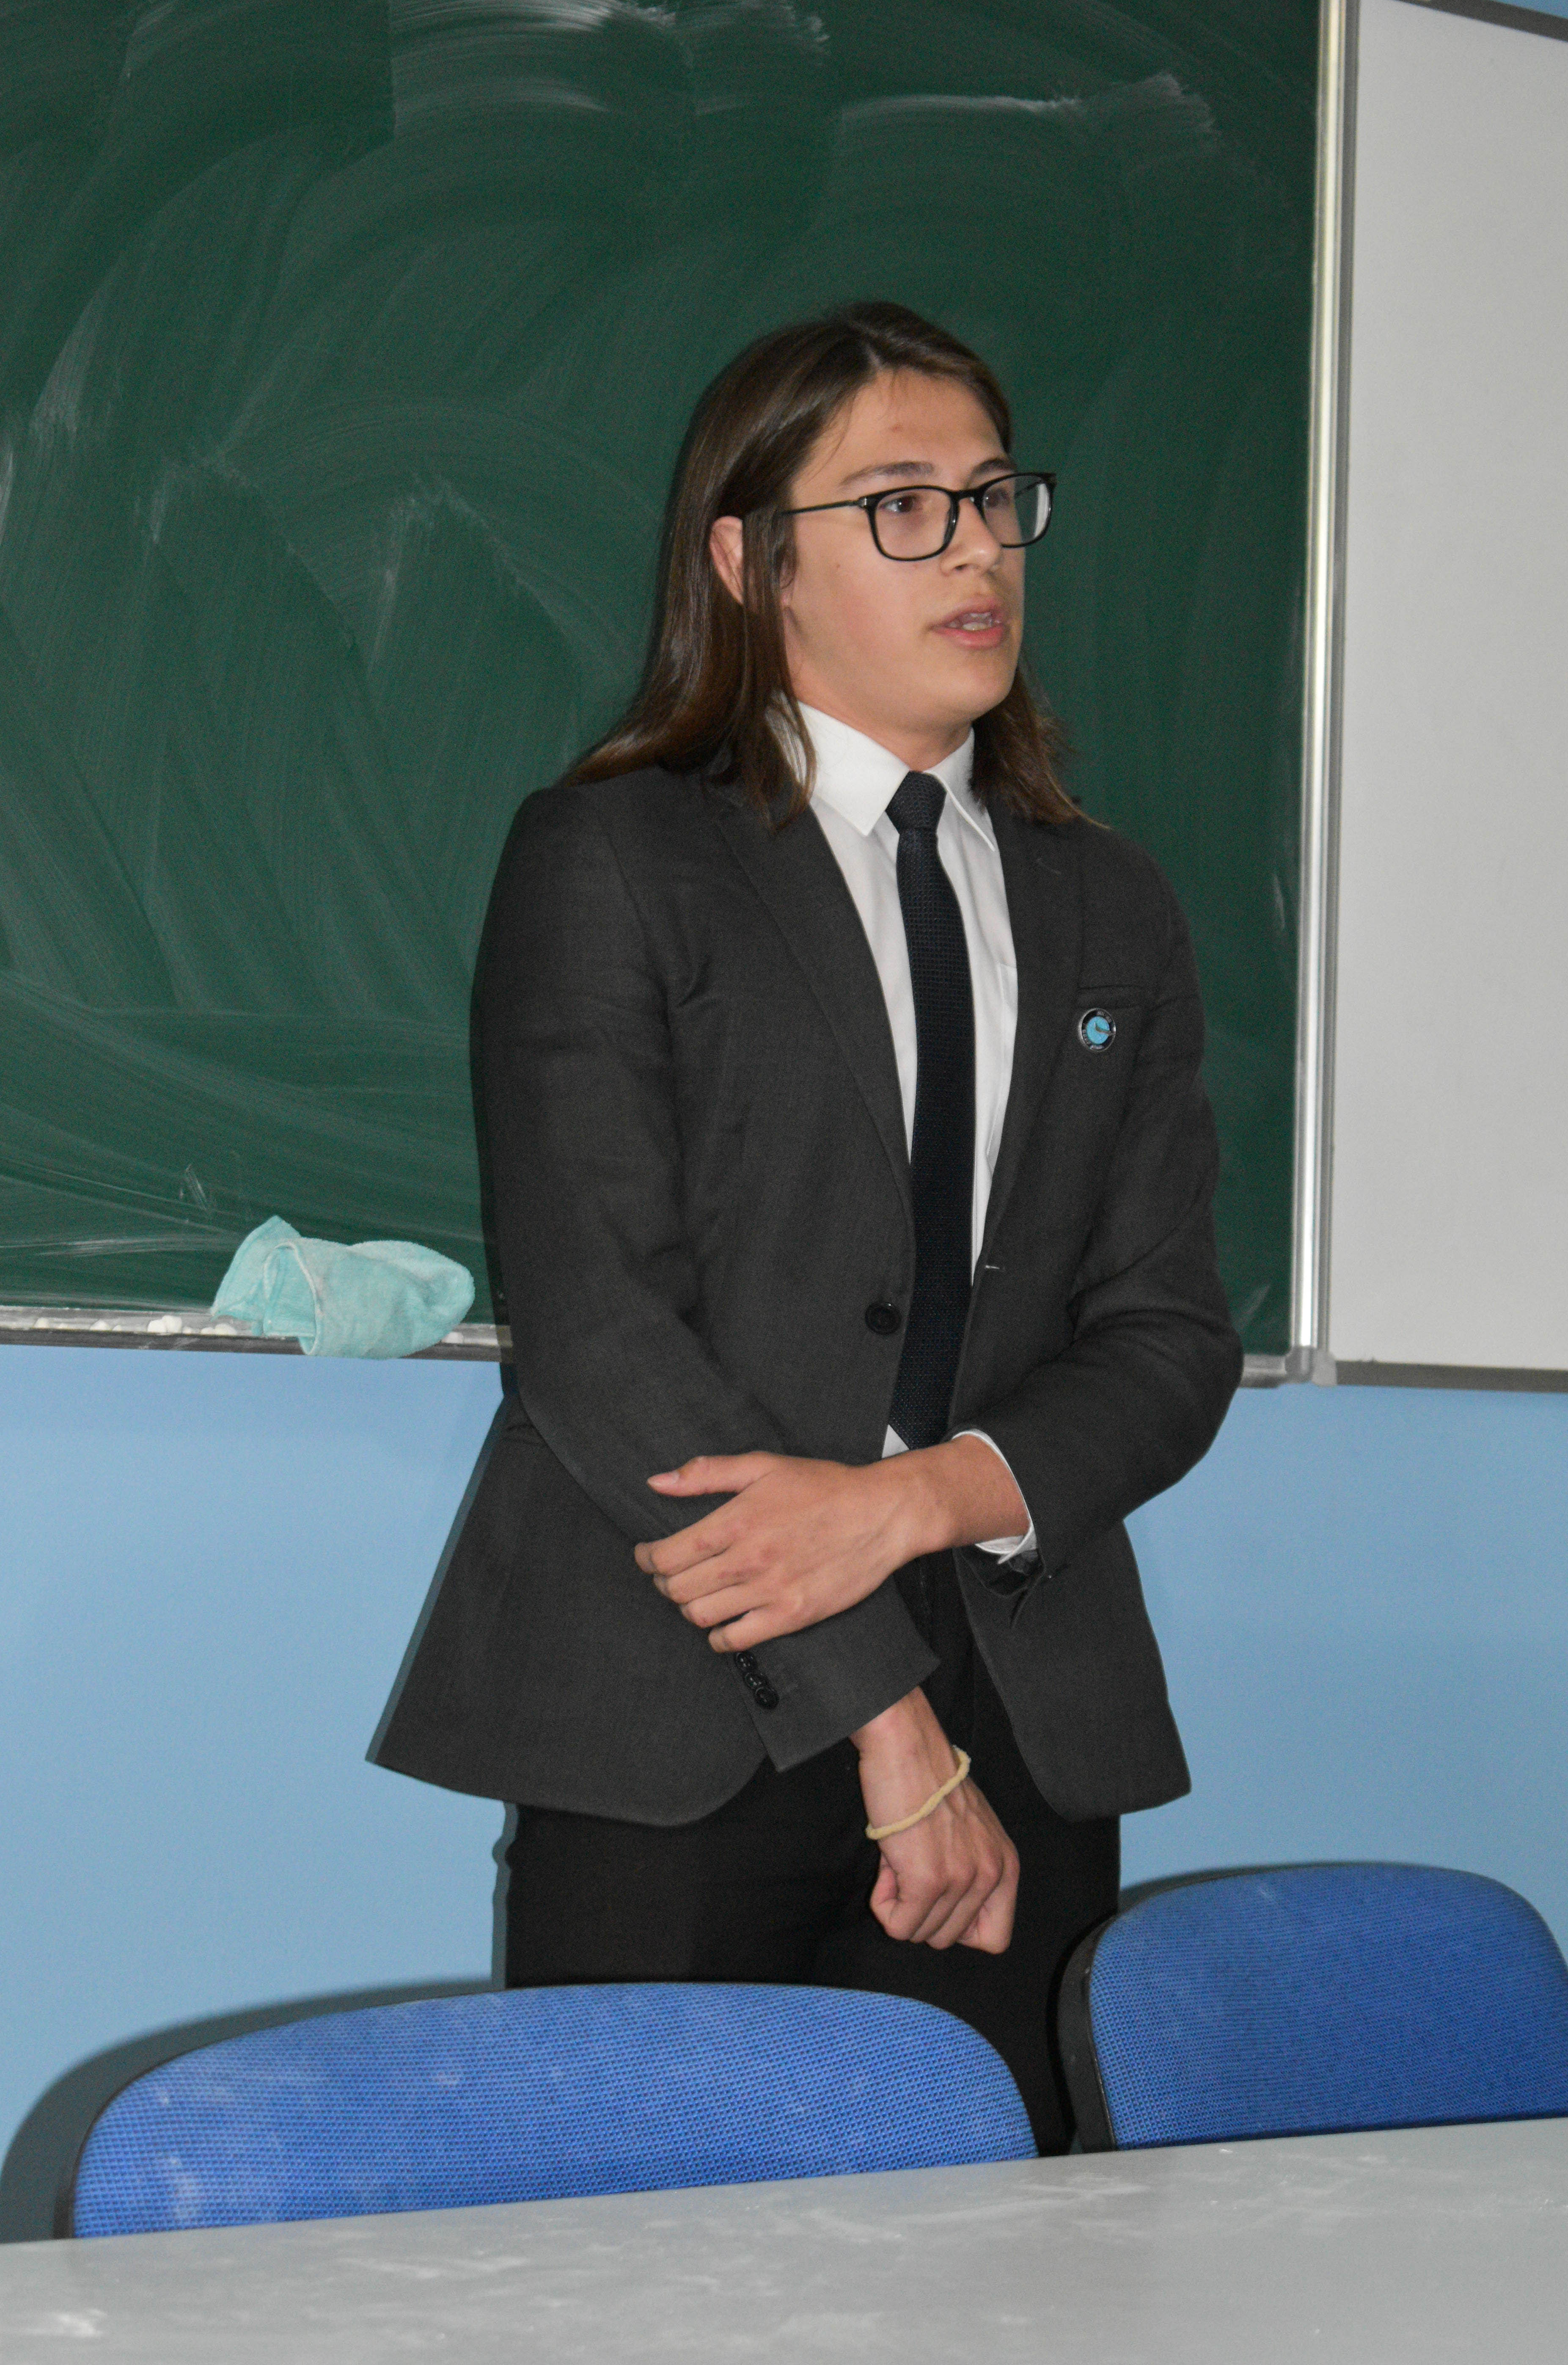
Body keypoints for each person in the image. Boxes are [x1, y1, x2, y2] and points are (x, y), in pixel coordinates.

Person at [374, 302, 1242, 2150]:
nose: (978, 550)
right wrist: (888, 1726)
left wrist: (918, 1502)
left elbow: (1169, 1339)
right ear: (749, 560)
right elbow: (604, 1338)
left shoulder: (1113, 907)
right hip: (686, 1714)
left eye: (996, 500)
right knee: (655, 2263)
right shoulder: (617, 858)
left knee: (992, 2269)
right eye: (902, 506)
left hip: (1031, 1708)